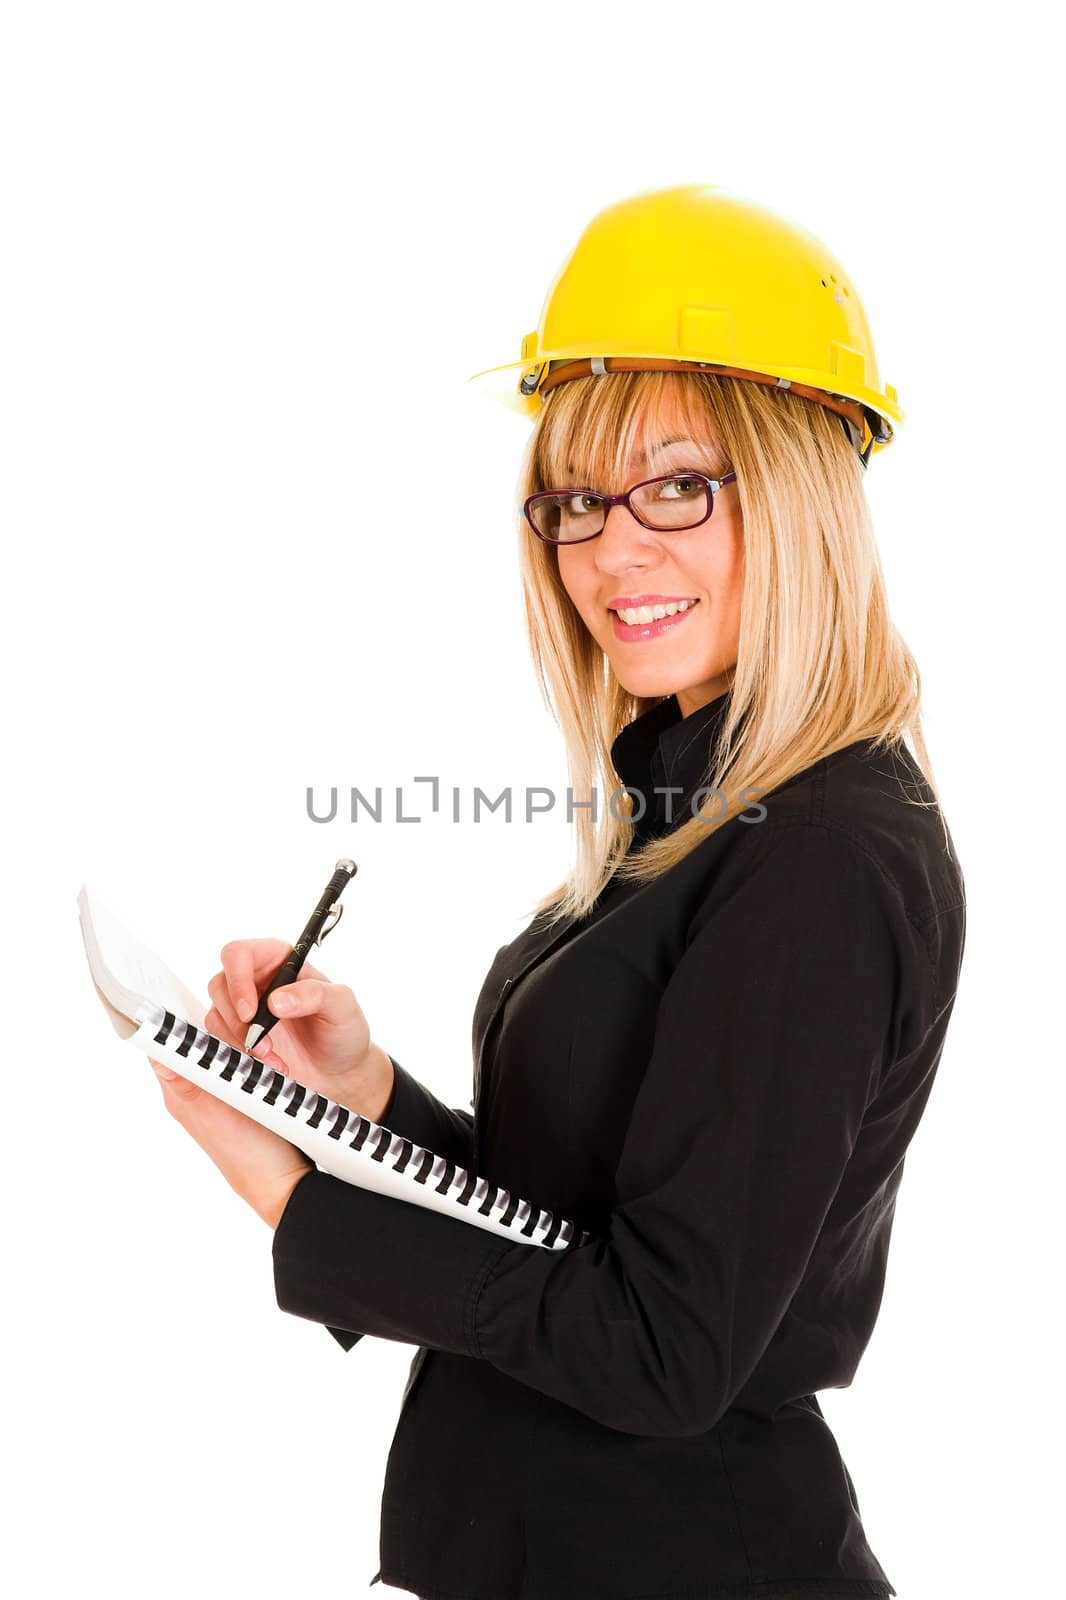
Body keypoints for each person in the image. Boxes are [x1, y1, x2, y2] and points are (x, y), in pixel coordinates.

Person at [150, 184, 967, 1600]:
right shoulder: (691, 808)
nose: (608, 548)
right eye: (576, 501)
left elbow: (661, 1350)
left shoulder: (818, 856)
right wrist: (367, 1099)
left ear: (803, 490)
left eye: (674, 485)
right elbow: (587, 1224)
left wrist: (302, 1209)